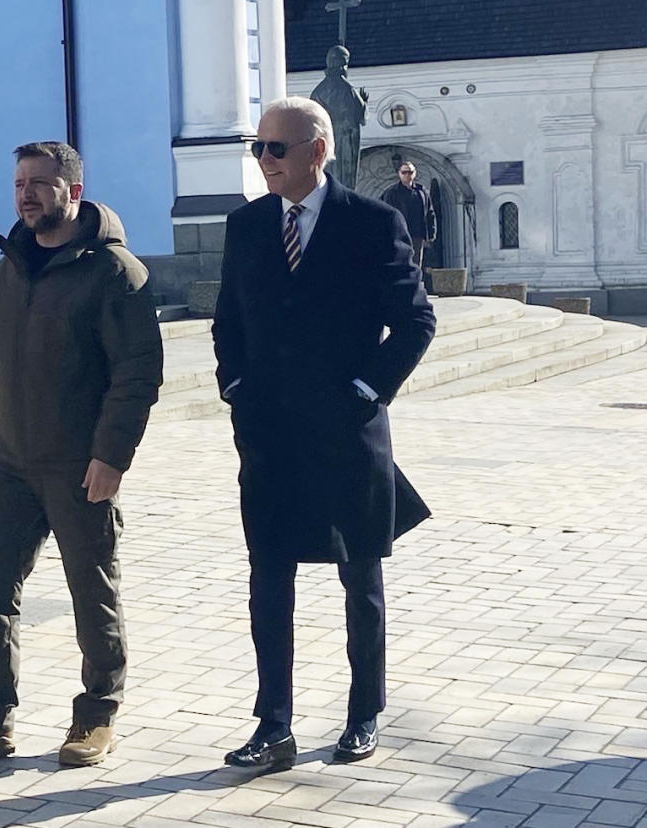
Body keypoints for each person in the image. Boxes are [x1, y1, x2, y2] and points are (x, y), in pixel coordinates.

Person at [0, 141, 163, 767]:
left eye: (41, 184)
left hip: (81, 467)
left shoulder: (116, 274)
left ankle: (96, 716)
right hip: (14, 465)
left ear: (73, 192)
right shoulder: (9, 271)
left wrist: (111, 456)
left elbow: (137, 375)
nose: (27, 193)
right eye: (20, 182)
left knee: (92, 591)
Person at [212, 97, 435, 771]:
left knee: (358, 576)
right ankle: (271, 724)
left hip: (346, 432)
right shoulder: (247, 225)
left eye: (274, 148)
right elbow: (228, 321)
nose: (263, 160)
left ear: (316, 151)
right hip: (270, 435)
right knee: (268, 577)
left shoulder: (372, 223)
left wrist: (367, 391)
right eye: (257, 148)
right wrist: (236, 389)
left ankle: (363, 712)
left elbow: (416, 321)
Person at [310, 45, 369, 189]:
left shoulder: (318, 90)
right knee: (345, 179)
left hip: (325, 141)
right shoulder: (346, 88)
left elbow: (312, 118)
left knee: (328, 176)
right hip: (346, 140)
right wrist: (364, 102)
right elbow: (360, 116)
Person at [380, 161, 437, 272]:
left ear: (414, 174)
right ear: (399, 174)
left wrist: (431, 233)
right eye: (404, 172)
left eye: (410, 172)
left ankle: (414, 286)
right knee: (400, 261)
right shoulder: (391, 193)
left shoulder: (422, 192)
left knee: (416, 263)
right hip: (399, 234)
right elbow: (385, 213)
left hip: (417, 234)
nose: (407, 175)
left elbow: (430, 212)